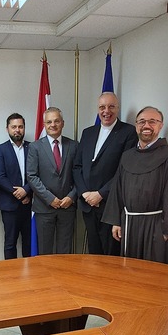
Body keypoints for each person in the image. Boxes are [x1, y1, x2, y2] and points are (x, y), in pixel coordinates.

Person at [102, 106, 168, 265]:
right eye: (142, 122)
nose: (146, 126)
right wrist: (116, 222)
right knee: (130, 269)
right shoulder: (127, 156)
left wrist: (167, 229)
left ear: (161, 125)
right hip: (129, 223)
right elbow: (117, 189)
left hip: (156, 226)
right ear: (136, 125)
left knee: (153, 272)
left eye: (152, 121)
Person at [73, 92, 137, 255]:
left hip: (110, 206)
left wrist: (101, 194)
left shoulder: (128, 132)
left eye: (111, 107)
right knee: (93, 253)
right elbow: (77, 167)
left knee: (110, 256)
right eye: (102, 107)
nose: (106, 111)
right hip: (88, 205)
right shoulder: (88, 132)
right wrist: (84, 193)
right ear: (98, 109)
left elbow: (124, 171)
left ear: (118, 108)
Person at [27, 107, 78, 255]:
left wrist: (71, 196)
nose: (53, 125)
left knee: (65, 251)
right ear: (44, 124)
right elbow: (32, 176)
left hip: (67, 207)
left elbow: (79, 175)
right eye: (49, 122)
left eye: (56, 121)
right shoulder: (35, 147)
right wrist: (50, 199)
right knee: (45, 251)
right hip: (44, 208)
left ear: (63, 123)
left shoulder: (74, 146)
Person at [0, 113, 32, 259]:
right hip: (9, 205)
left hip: (30, 204)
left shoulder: (32, 147)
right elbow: (0, 176)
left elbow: (38, 173)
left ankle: (30, 271)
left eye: (20, 127)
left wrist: (26, 190)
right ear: (7, 129)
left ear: (24, 128)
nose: (17, 130)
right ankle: (12, 272)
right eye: (14, 127)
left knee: (29, 242)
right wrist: (19, 193)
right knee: (10, 243)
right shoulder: (0, 149)